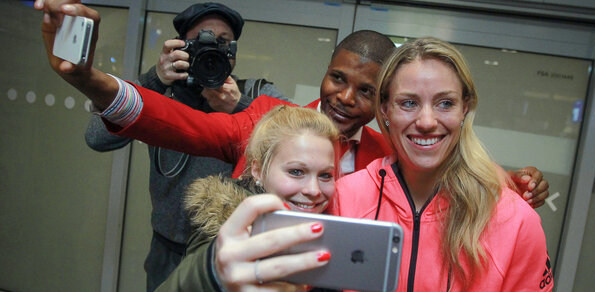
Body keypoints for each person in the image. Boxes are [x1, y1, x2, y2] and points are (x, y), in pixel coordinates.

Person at [35, 0, 550, 209]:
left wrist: (516, 183)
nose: (345, 98)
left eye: (366, 90)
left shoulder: (387, 154)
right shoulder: (268, 120)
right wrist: (91, 80)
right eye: (337, 78)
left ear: (385, 103)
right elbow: (174, 122)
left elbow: (443, 161)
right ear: (325, 73)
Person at [320, 37, 554, 292]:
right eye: (409, 103)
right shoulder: (345, 199)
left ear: (465, 108)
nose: (427, 122)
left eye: (445, 103)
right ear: (384, 110)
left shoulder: (514, 220)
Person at [83, 2, 287, 292]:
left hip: (233, 249)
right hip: (166, 250)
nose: (212, 48)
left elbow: (295, 140)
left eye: (223, 42)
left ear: (234, 51)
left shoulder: (257, 94)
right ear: (181, 47)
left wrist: (239, 107)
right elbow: (95, 138)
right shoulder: (160, 95)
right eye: (200, 40)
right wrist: (154, 81)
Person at [146, 105, 341, 292]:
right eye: (296, 171)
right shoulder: (225, 232)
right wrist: (216, 287)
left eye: (325, 175)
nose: (314, 190)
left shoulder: (319, 236)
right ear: (257, 170)